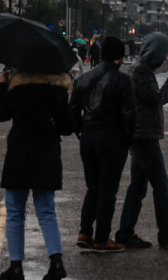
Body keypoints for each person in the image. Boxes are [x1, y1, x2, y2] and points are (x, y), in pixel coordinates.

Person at [0, 68, 74, 280]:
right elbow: (66, 127)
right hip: (47, 154)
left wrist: (2, 85)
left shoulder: (18, 89)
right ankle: (56, 262)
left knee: (15, 212)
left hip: (20, 153)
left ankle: (16, 266)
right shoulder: (58, 91)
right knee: (47, 211)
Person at [116, 33, 168, 249]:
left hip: (140, 136)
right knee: (161, 186)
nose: (166, 57)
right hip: (145, 138)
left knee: (138, 188)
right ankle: (166, 233)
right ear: (156, 51)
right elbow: (157, 99)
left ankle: (125, 233)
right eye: (166, 52)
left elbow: (157, 101)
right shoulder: (142, 72)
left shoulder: (141, 69)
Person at [69, 37, 131, 253]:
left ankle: (85, 232)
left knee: (93, 187)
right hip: (111, 138)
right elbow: (129, 116)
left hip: (88, 137)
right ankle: (102, 239)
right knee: (108, 189)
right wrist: (127, 140)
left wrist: (81, 131)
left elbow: (73, 111)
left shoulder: (84, 79)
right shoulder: (123, 80)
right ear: (120, 56)